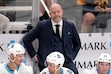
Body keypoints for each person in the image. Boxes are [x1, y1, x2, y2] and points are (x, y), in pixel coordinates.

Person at [22, 3, 81, 74]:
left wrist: (72, 55)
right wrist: (34, 55)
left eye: (58, 12)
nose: (56, 14)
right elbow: (26, 39)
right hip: (48, 62)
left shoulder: (70, 25)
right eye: (53, 12)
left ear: (62, 12)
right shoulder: (42, 26)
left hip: (66, 61)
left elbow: (77, 43)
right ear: (49, 14)